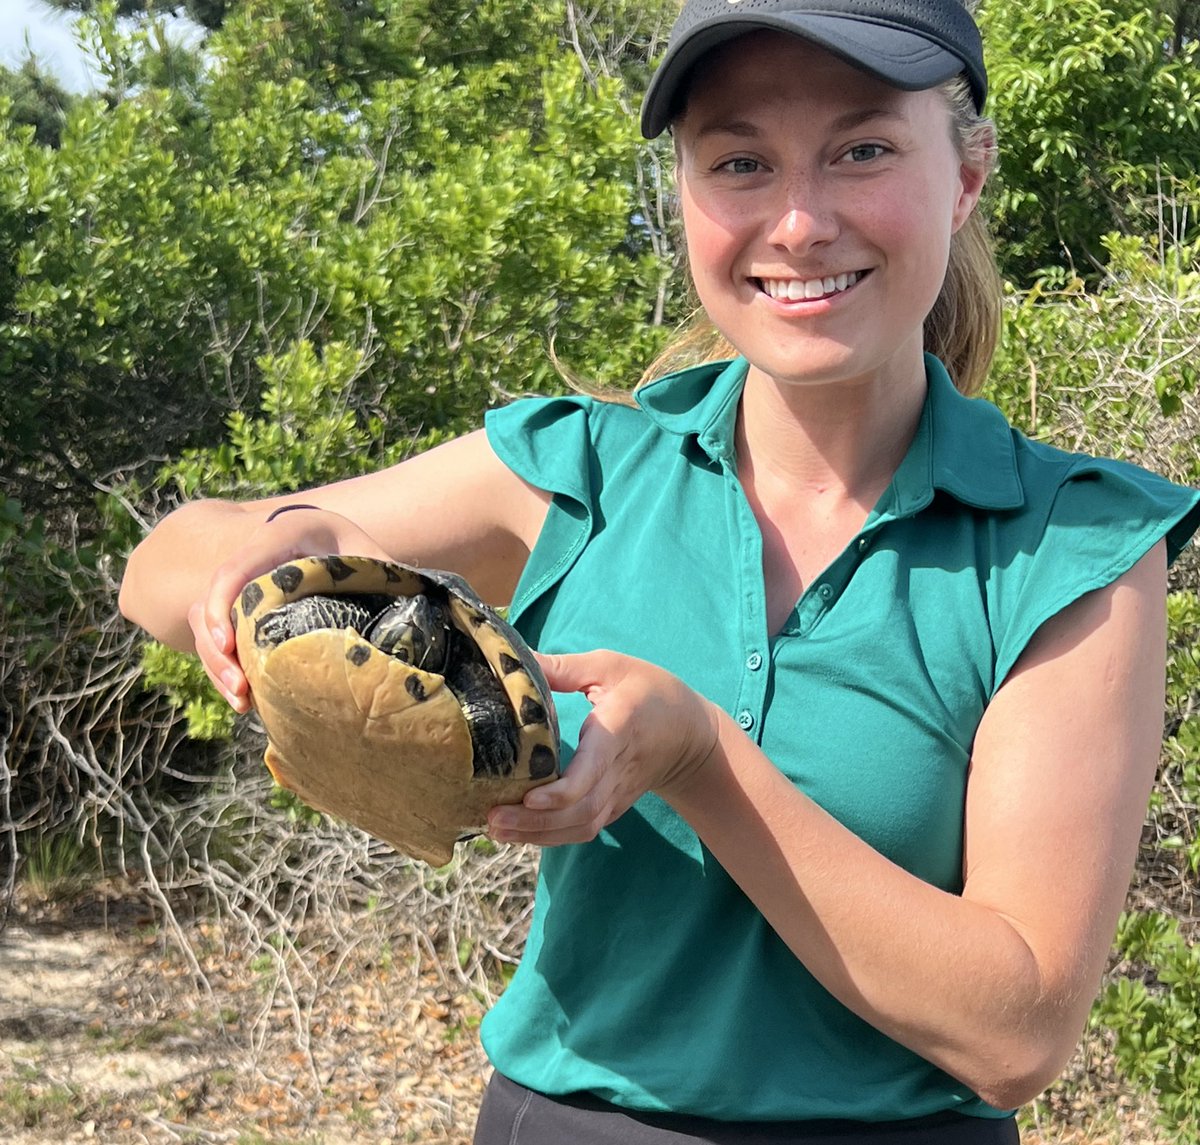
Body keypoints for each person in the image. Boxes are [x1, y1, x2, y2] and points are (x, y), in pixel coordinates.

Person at [120, 0, 1200, 1141]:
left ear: (967, 176)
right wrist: (289, 546)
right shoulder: (586, 468)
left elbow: (1016, 1033)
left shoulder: (1067, 544)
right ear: (683, 195)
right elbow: (158, 565)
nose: (799, 222)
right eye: (741, 162)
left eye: (863, 151)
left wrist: (698, 757)